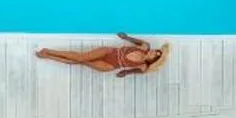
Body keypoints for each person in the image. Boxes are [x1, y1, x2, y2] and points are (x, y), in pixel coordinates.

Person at [35, 33, 170, 77]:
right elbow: (131, 39)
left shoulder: (143, 67)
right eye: (156, 50)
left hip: (110, 65)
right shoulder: (145, 46)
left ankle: (48, 56)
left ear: (153, 59)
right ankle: (49, 51)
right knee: (81, 57)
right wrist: (125, 37)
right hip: (110, 52)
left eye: (156, 54)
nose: (154, 51)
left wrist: (124, 73)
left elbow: (129, 72)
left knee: (80, 62)